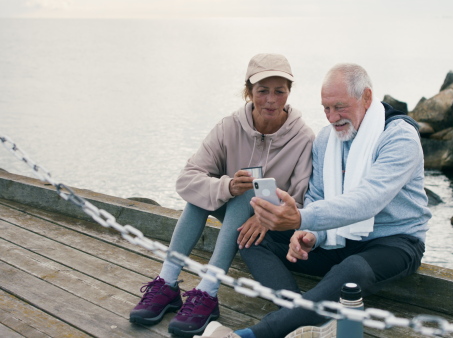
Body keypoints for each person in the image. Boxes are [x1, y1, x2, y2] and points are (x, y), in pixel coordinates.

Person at [199, 63, 431, 338]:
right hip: (337, 238)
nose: (332, 118)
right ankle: (305, 321)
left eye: (340, 107)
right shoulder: (325, 140)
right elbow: (317, 197)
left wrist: (301, 218)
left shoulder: (399, 136)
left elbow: (369, 200)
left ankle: (254, 334)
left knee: (353, 269)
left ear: (366, 97)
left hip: (395, 241)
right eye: (326, 108)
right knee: (252, 236)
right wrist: (309, 235)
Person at [129, 53, 315, 337]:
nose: (271, 100)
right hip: (236, 214)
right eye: (262, 91)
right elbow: (187, 179)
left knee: (244, 195)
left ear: (289, 92)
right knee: (206, 192)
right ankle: (167, 282)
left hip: (274, 226)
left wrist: (266, 217)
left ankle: (208, 291)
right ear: (248, 91)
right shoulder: (229, 127)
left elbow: (302, 200)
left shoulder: (303, 138)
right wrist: (226, 186)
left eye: (280, 91)